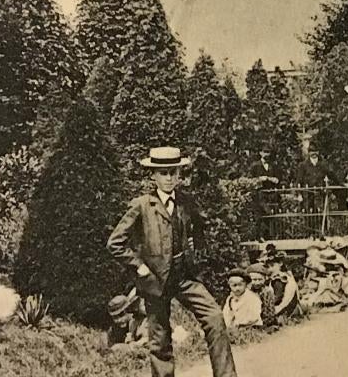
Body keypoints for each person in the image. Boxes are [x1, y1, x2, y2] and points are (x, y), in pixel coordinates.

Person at [107, 146, 238, 377]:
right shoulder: (142, 205)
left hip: (184, 276)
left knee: (215, 318)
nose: (168, 178)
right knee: (160, 340)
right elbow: (115, 243)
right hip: (155, 281)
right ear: (153, 175)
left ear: (179, 175)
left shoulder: (186, 202)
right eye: (163, 173)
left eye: (173, 173)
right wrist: (139, 265)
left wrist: (196, 253)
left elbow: (199, 228)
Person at [297, 148, 333, 213]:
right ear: (309, 153)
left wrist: (342, 184)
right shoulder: (303, 165)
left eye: (315, 151)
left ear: (318, 152)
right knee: (309, 215)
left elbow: (331, 175)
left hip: (320, 194)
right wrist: (299, 194)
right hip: (307, 194)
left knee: (321, 214)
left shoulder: (323, 164)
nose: (314, 153)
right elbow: (299, 180)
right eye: (311, 151)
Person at [246, 263, 277, 327]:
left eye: (260, 279)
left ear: (265, 279)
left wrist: (265, 322)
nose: (257, 282)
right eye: (254, 280)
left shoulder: (268, 291)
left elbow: (269, 310)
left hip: (264, 321)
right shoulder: (246, 291)